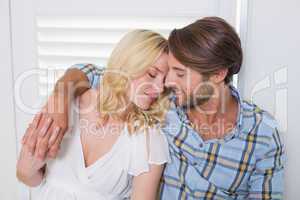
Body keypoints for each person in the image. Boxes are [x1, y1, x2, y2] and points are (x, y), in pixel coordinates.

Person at [21, 17, 285, 199]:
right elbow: (107, 74)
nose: (167, 83)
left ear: (217, 75)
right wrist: (60, 96)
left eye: (179, 74)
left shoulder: (262, 135)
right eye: (164, 73)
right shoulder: (164, 102)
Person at [17, 30, 171, 200]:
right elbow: (30, 179)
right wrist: (26, 169)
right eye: (152, 74)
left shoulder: (149, 138)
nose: (160, 88)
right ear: (128, 63)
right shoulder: (64, 105)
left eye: (165, 81)